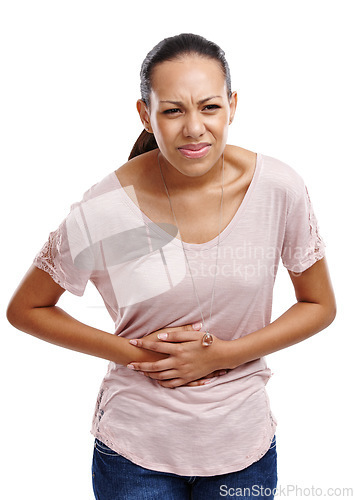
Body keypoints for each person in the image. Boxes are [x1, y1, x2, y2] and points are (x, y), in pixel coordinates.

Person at [6, 33, 336, 500]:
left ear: (233, 105)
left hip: (242, 447)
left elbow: (319, 304)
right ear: (146, 114)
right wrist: (137, 356)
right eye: (173, 110)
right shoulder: (106, 207)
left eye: (209, 107)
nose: (195, 128)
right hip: (135, 453)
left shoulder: (279, 189)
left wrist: (223, 354)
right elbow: (26, 309)